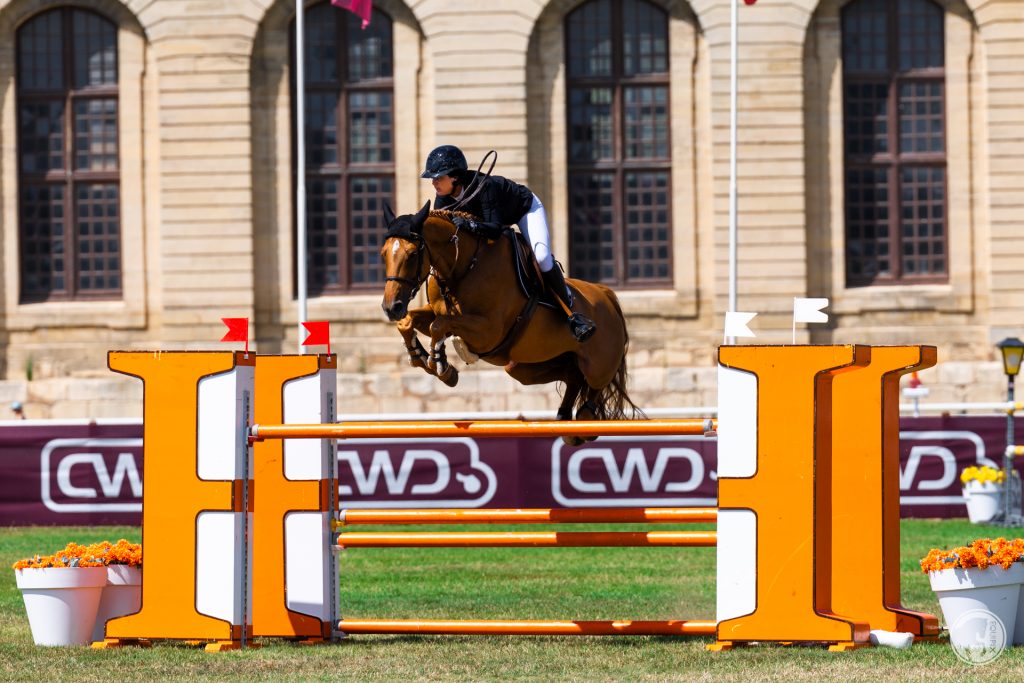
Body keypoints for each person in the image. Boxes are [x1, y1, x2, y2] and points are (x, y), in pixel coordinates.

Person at [420, 144, 597, 342]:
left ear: (454, 177)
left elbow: (495, 229)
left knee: (542, 256)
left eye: (438, 178)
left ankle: (571, 312)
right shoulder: (443, 200)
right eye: (432, 179)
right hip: (492, 223)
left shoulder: (484, 186)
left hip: (524, 210)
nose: (434, 183)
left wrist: (469, 225)